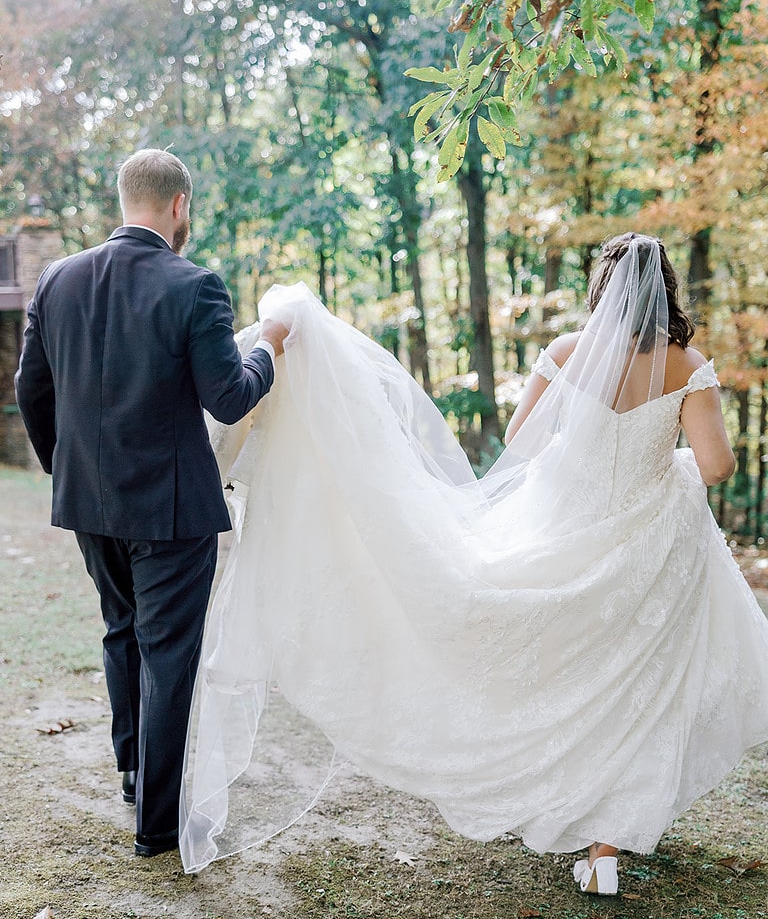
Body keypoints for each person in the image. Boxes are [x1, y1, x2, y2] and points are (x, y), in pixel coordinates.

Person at [179, 234, 768, 897]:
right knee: (637, 687)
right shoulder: (687, 365)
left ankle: (569, 805)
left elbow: (521, 439)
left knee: (566, 672)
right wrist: (671, 464)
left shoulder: (568, 354)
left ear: (604, 290)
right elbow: (716, 467)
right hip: (645, 544)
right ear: (666, 290)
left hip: (559, 529)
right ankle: (605, 850)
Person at [14, 148, 288, 858]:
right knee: (167, 654)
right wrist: (270, 350)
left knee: (119, 630)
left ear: (124, 199)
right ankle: (158, 828)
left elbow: (29, 391)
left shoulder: (57, 278)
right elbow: (229, 396)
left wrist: (65, 471)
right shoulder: (196, 286)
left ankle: (135, 774)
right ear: (179, 206)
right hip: (170, 511)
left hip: (88, 501)